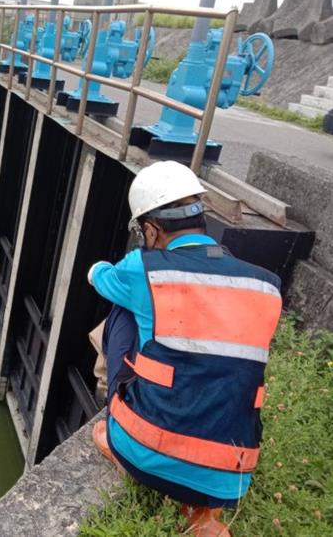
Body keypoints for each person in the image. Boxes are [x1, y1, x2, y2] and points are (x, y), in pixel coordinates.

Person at [87, 160, 283, 537]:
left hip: (144, 455)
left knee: (122, 311)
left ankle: (116, 431)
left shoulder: (143, 266)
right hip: (232, 477)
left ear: (150, 229)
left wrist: (98, 268)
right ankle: (204, 512)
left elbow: (100, 277)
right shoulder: (266, 286)